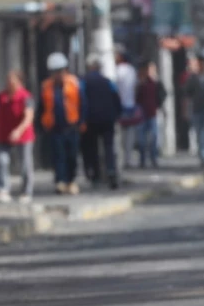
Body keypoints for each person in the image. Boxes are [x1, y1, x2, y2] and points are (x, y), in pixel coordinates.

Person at [40, 52, 83, 195]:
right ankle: (60, 181)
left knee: (71, 156)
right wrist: (42, 124)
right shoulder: (46, 86)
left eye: (60, 70)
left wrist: (82, 122)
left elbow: (83, 104)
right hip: (55, 128)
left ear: (65, 70)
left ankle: (71, 181)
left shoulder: (74, 83)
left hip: (72, 126)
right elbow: (42, 107)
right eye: (55, 71)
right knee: (58, 156)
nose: (58, 74)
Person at [0, 70, 36, 203]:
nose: (9, 83)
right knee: (2, 160)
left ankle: (26, 191)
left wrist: (19, 130)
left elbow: (29, 117)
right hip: (4, 134)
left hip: (23, 136)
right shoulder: (1, 96)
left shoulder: (26, 97)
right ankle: (3, 189)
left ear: (19, 82)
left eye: (12, 81)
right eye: (8, 81)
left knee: (25, 163)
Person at [82, 54, 123, 189]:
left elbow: (81, 101)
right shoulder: (108, 81)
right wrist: (118, 115)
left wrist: (82, 119)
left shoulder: (84, 82)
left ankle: (96, 175)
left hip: (91, 120)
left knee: (92, 148)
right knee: (109, 147)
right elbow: (116, 99)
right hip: (108, 119)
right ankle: (111, 171)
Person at [135, 62, 167, 169]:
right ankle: (142, 160)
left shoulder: (157, 83)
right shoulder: (142, 83)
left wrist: (160, 106)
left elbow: (163, 95)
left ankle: (154, 159)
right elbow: (137, 97)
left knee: (154, 138)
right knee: (142, 140)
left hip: (153, 113)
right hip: (143, 114)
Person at [115, 45, 139, 170]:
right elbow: (135, 88)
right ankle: (128, 159)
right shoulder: (132, 70)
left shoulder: (117, 70)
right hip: (131, 105)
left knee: (119, 136)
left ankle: (121, 159)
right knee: (129, 136)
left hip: (120, 107)